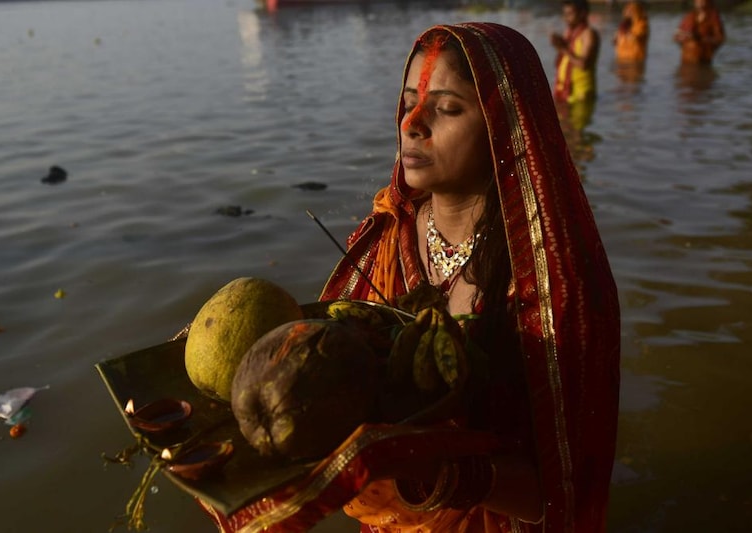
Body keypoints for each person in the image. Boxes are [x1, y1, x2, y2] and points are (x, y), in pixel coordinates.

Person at [201, 22, 619, 533]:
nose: (411, 124)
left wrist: (436, 469)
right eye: (407, 103)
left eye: (445, 109)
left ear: (505, 126)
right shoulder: (389, 233)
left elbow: (558, 498)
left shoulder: (552, 284)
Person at [550, 0, 601, 104]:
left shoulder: (588, 34)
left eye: (570, 14)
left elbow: (583, 64)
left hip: (582, 94)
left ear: (582, 13)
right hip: (565, 92)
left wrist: (563, 49)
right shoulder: (569, 33)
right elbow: (561, 61)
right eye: (565, 14)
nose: (566, 18)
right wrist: (559, 45)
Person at [674, 0, 725, 64]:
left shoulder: (713, 18)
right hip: (687, 59)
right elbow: (676, 36)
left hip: (703, 59)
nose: (699, 2)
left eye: (702, 1)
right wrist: (683, 37)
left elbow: (720, 39)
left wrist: (700, 38)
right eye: (697, 1)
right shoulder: (689, 16)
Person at [613, 0, 650, 64]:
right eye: (627, 10)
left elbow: (636, 38)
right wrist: (617, 36)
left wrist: (626, 32)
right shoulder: (625, 24)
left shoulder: (642, 24)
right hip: (621, 60)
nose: (627, 12)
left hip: (635, 60)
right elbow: (615, 42)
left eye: (630, 10)